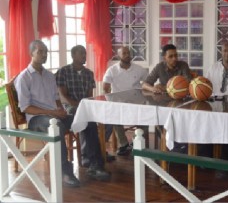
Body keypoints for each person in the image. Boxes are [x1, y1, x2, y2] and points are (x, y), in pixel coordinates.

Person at [15, 40, 80, 187]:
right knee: (56, 126)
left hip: (53, 115)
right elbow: (25, 107)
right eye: (40, 52)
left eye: (46, 52)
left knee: (83, 119)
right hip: (36, 119)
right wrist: (51, 112)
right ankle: (65, 171)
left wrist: (60, 110)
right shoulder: (24, 78)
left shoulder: (50, 76)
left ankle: (94, 163)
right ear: (31, 54)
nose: (44, 55)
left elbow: (56, 98)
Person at [56, 45, 111, 181]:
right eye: (81, 53)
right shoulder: (63, 72)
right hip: (69, 108)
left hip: (85, 106)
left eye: (85, 53)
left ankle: (89, 156)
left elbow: (89, 96)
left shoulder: (89, 74)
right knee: (89, 122)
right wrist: (79, 106)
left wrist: (86, 106)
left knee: (108, 118)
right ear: (73, 55)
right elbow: (62, 96)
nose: (84, 56)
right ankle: (95, 163)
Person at [103, 46, 148, 154]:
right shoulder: (112, 70)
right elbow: (105, 88)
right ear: (119, 56)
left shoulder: (139, 69)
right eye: (124, 53)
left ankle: (136, 142)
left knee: (146, 116)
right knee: (114, 117)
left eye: (128, 53)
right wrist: (111, 101)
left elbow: (148, 83)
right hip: (119, 103)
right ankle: (123, 144)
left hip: (136, 102)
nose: (127, 55)